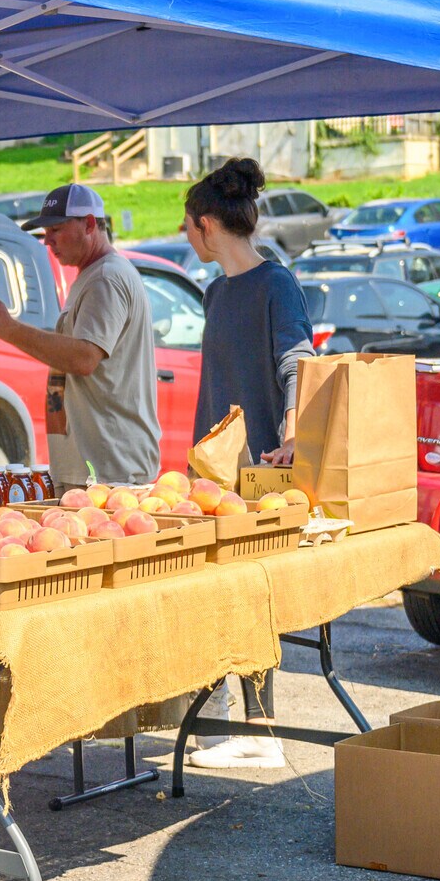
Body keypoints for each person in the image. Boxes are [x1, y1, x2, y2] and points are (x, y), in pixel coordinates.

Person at [181, 157, 312, 771]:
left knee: (248, 598)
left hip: (261, 476)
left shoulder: (275, 284)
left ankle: (261, 731)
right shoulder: (216, 290)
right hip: (214, 477)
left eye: (187, 226)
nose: (186, 237)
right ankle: (226, 727)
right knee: (215, 595)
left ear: (206, 224)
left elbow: (297, 362)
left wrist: (291, 427)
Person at [0, 182, 159, 488]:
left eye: (56, 229)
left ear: (90, 224)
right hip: (101, 466)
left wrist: (8, 329)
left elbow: (84, 357)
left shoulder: (106, 278)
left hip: (112, 469)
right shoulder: (95, 274)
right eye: (45, 232)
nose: (47, 240)